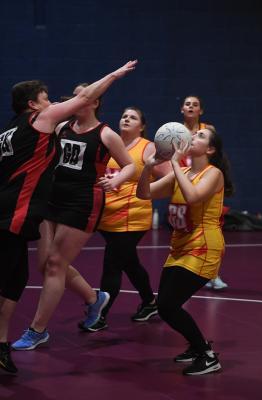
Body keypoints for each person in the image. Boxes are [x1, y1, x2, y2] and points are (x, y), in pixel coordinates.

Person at [0, 59, 137, 370]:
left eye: (81, 95)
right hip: (50, 199)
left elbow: (129, 165)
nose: (70, 99)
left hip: (82, 201)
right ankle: (94, 299)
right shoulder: (58, 126)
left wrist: (116, 179)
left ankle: (37, 330)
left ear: (93, 100)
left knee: (55, 265)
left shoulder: (106, 134)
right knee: (46, 263)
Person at [136, 125, 234, 375]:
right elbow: (143, 193)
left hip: (204, 247)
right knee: (168, 305)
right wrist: (148, 167)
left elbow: (192, 197)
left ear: (210, 149)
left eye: (200, 136)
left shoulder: (214, 174)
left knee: (168, 306)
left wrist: (175, 164)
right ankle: (196, 345)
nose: (193, 136)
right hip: (180, 247)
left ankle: (207, 355)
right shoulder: (184, 172)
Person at [78, 106, 171, 332]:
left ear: (142, 126)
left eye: (133, 117)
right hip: (106, 215)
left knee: (112, 264)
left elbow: (169, 177)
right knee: (129, 263)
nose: (127, 119)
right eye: (124, 116)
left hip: (132, 216)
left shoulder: (148, 147)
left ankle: (99, 315)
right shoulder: (112, 142)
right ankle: (150, 302)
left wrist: (144, 190)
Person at [180, 95, 228, 290]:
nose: (191, 107)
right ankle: (182, 271)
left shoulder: (208, 131)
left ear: (201, 111)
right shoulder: (175, 131)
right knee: (184, 226)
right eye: (187, 104)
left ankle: (212, 273)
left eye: (195, 104)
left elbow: (217, 157)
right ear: (182, 109)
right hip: (184, 178)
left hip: (202, 180)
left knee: (210, 226)